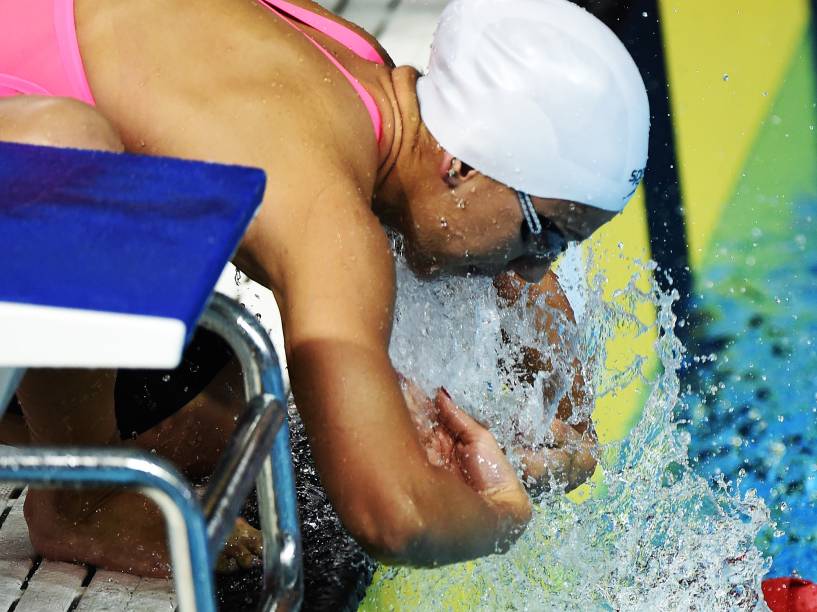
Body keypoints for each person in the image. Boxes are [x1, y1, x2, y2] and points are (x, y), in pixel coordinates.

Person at [0, 0, 649, 576]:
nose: (535, 268)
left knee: (230, 416)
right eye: (545, 235)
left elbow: (512, 278)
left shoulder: (363, 68)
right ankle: (80, 498)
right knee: (61, 156)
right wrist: (503, 512)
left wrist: (571, 423)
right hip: (33, 139)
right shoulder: (328, 215)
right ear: (462, 163)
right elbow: (392, 515)